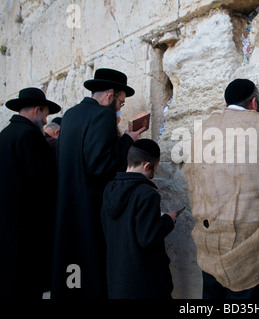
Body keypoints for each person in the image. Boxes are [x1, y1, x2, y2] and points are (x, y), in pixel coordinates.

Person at [184, 79, 259, 299]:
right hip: (251, 246)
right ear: (254, 102)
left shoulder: (203, 129)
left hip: (209, 242)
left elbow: (192, 177)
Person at [51, 68, 145, 299]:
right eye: (121, 103)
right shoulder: (102, 115)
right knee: (92, 271)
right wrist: (126, 140)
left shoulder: (71, 114)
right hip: (89, 207)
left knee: (72, 269)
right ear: (110, 95)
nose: (119, 108)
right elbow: (100, 165)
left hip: (67, 205)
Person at [0, 87, 61, 299]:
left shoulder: (5, 134)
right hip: (25, 232)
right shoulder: (29, 136)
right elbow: (43, 182)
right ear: (37, 110)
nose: (46, 121)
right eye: (45, 114)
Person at [101, 139, 177, 299]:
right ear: (147, 165)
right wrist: (169, 220)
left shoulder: (109, 189)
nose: (153, 174)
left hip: (118, 280)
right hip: (144, 281)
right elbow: (147, 237)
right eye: (154, 168)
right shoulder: (146, 194)